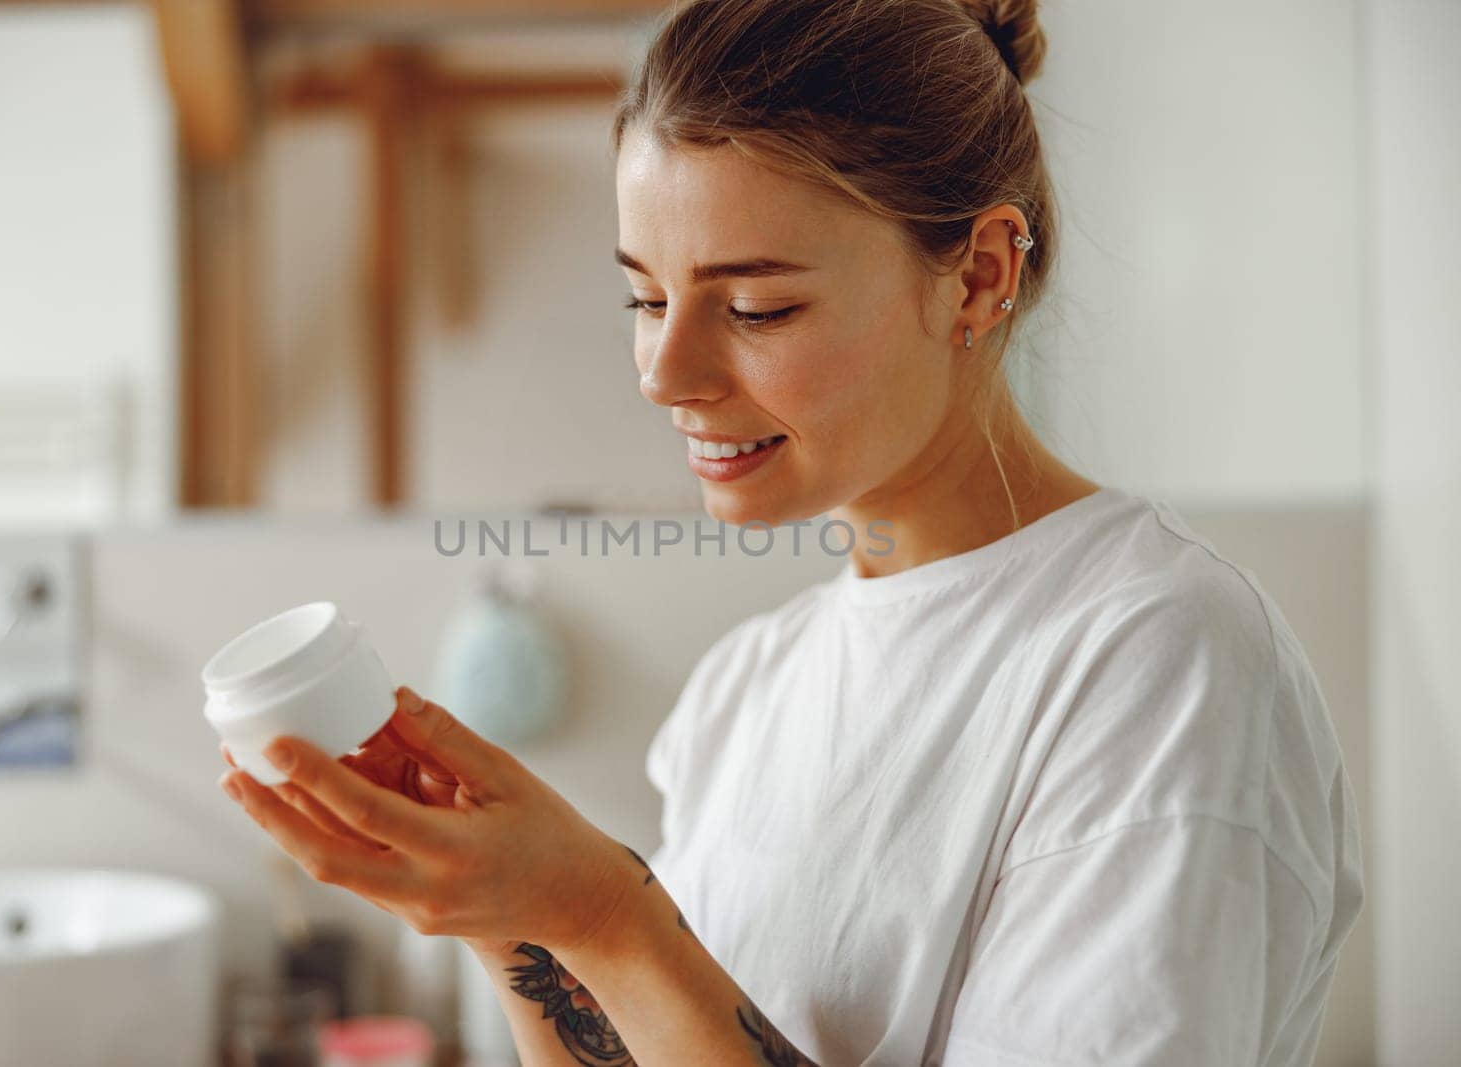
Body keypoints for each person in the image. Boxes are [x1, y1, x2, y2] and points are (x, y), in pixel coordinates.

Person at [217, 1, 1365, 1064]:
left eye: (756, 307)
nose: (665, 374)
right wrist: (507, 912)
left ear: (976, 275)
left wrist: (607, 912)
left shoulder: (1156, 666)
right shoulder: (745, 687)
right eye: (646, 298)